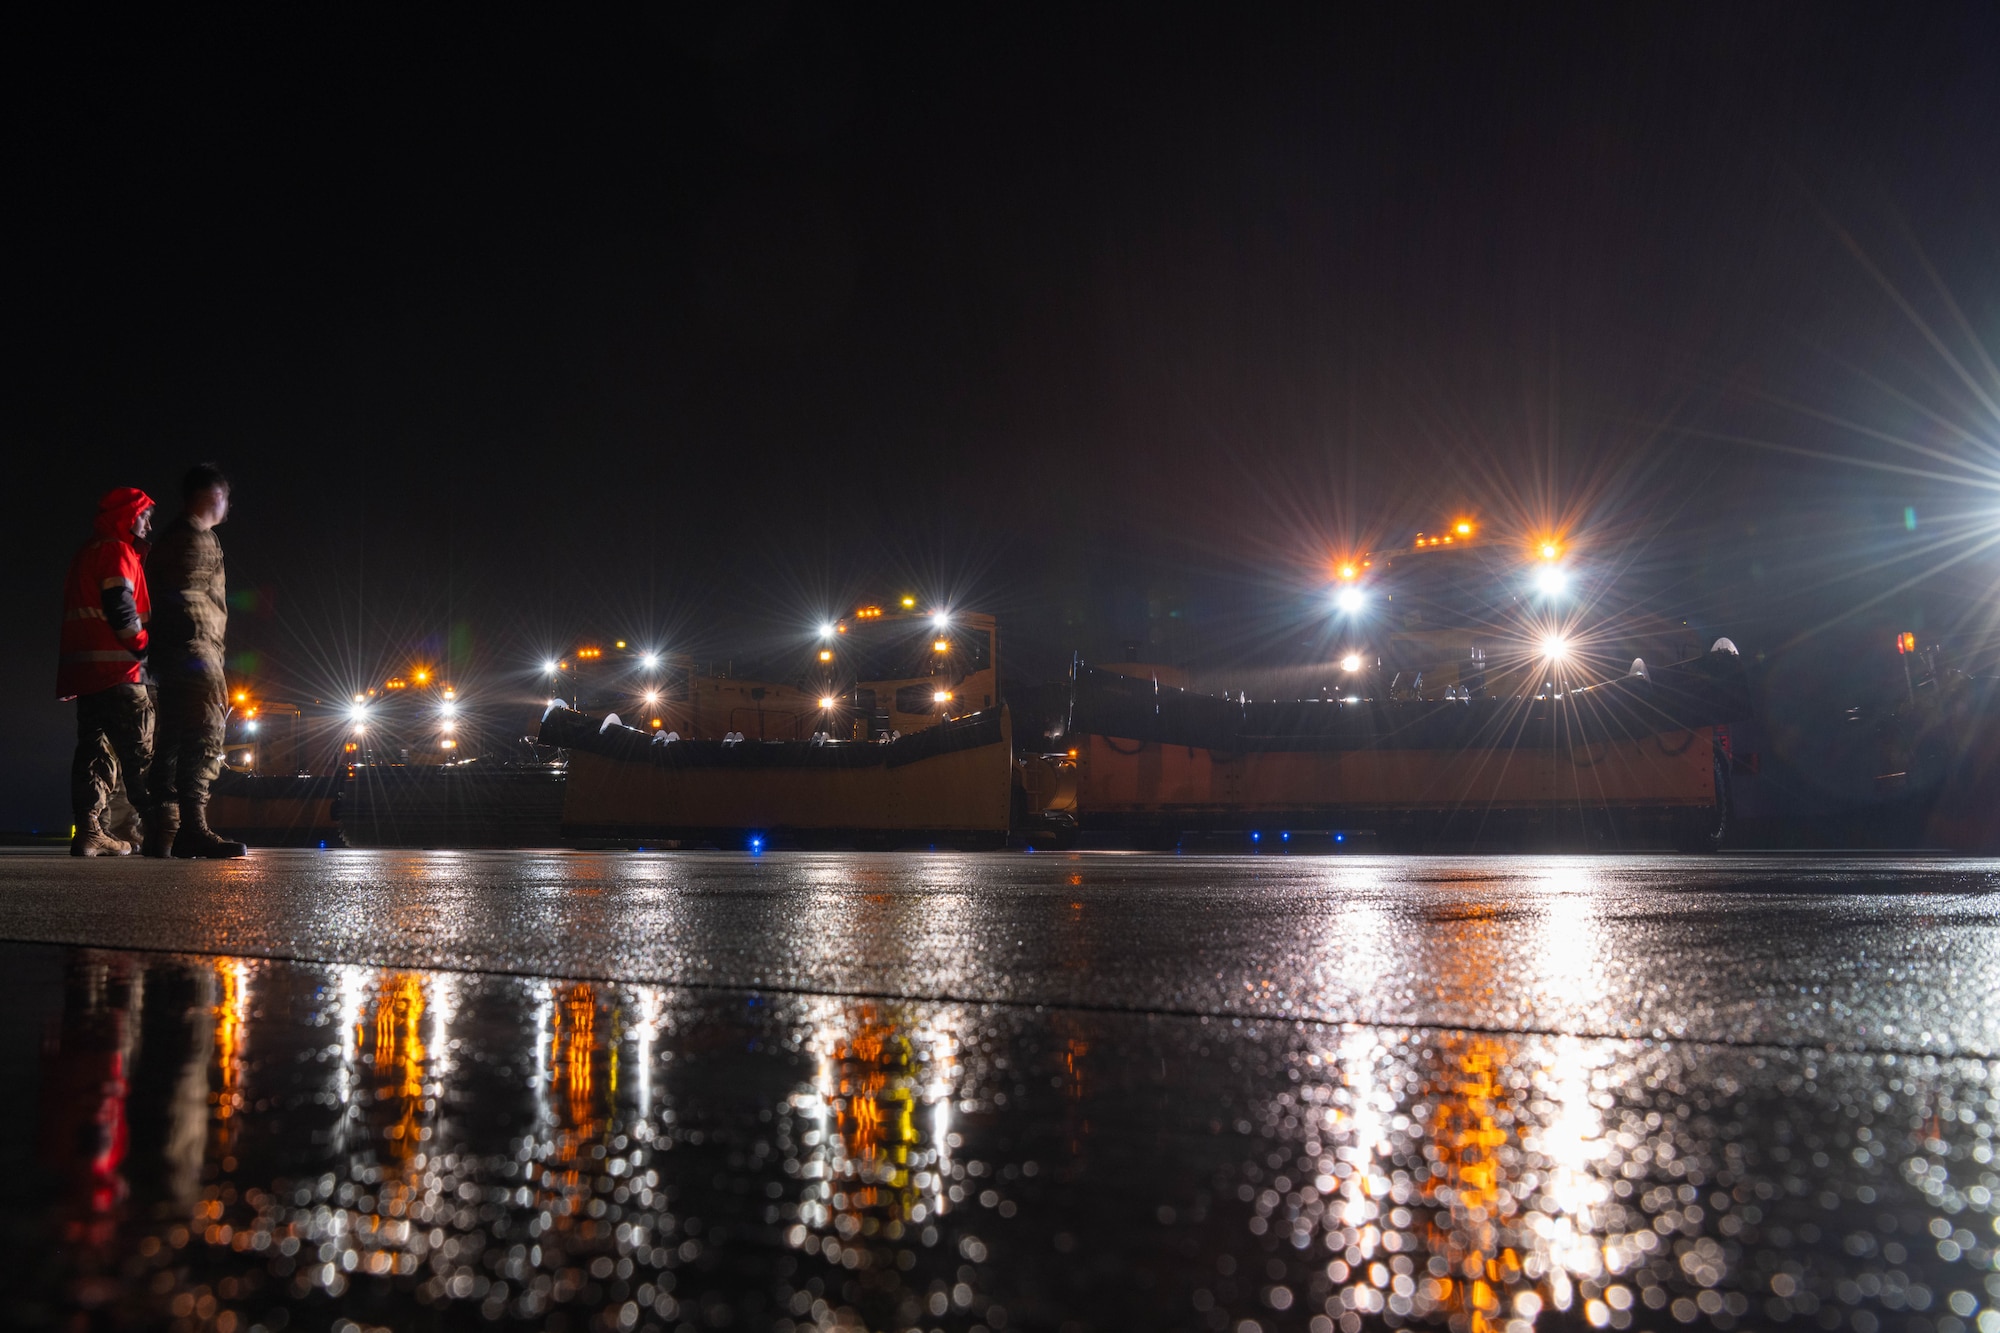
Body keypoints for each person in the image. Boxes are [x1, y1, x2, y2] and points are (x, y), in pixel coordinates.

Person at [145, 464, 246, 858]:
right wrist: (204, 656)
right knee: (203, 736)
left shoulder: (171, 536)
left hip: (172, 657)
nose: (228, 504)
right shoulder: (196, 539)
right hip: (195, 654)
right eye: (225, 496)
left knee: (170, 741)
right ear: (211, 496)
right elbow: (187, 600)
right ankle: (192, 829)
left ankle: (163, 830)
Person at [57, 487, 157, 856]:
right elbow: (120, 605)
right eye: (144, 517)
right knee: (141, 753)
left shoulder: (87, 552)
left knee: (94, 751)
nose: (148, 525)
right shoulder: (118, 549)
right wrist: (145, 645)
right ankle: (163, 832)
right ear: (129, 517)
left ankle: (90, 832)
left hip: (87, 673)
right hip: (121, 669)